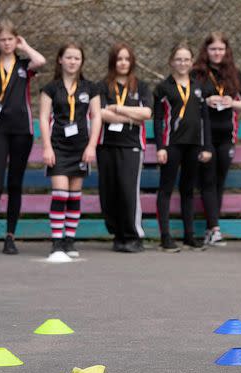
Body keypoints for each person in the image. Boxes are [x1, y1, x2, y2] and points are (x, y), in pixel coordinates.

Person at [39, 42, 101, 259]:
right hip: (58, 147)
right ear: (60, 60)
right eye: (69, 57)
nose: (72, 61)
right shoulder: (50, 89)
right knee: (60, 193)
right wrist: (46, 147)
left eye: (77, 58)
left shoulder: (90, 88)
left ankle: (69, 241)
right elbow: (43, 118)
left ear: (81, 62)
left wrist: (92, 146)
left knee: (74, 195)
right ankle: (56, 241)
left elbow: (97, 117)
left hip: (81, 148)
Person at [193, 31, 241, 247]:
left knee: (219, 181)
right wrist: (206, 101)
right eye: (212, 49)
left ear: (226, 51)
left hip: (227, 134)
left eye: (220, 49)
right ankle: (214, 228)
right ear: (206, 51)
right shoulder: (197, 73)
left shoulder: (234, 73)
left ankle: (211, 227)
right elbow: (189, 100)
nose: (217, 53)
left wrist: (230, 102)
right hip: (204, 134)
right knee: (207, 180)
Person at [153, 41, 212, 253]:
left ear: (192, 62)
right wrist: (160, 147)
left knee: (188, 190)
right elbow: (158, 120)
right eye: (178, 59)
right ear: (171, 62)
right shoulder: (163, 87)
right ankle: (165, 237)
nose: (182, 63)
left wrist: (207, 147)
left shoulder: (199, 87)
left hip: (194, 144)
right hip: (172, 144)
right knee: (166, 189)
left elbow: (205, 119)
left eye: (186, 59)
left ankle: (189, 236)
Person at [97, 42, 153, 253]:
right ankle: (118, 234)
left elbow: (146, 113)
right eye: (119, 59)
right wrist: (131, 115)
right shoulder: (103, 86)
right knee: (109, 192)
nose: (123, 63)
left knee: (128, 190)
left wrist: (118, 108)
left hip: (131, 146)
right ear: (113, 61)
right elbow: (100, 113)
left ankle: (133, 235)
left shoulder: (141, 86)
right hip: (106, 145)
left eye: (127, 59)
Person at [0, 19, 45, 254]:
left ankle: (10, 236)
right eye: (2, 39)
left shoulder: (24, 64)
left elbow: (41, 61)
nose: (6, 43)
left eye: (10, 39)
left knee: (15, 183)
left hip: (21, 130)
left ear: (16, 40)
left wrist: (24, 46)